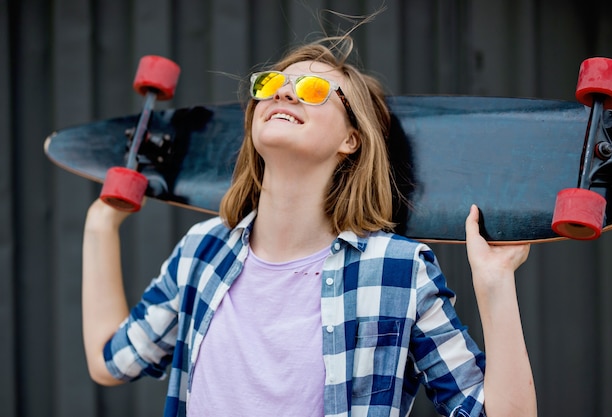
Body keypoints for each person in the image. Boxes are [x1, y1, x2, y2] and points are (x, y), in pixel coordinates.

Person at [81, 35, 536, 417]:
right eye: (272, 84)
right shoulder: (204, 251)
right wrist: (101, 223)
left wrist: (495, 284)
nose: (282, 93)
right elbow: (111, 362)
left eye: (315, 89)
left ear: (350, 139)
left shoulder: (397, 270)